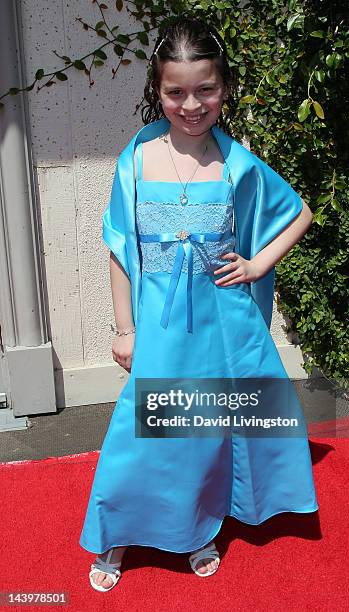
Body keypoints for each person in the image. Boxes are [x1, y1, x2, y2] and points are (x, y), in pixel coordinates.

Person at [79, 16, 319, 592]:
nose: (192, 104)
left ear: (224, 88)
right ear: (156, 92)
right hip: (160, 329)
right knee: (141, 433)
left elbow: (299, 213)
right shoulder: (134, 162)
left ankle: (196, 529)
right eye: (176, 92)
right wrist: (124, 328)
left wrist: (258, 264)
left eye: (205, 89)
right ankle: (116, 532)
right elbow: (119, 247)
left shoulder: (237, 163)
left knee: (204, 431)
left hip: (219, 322)